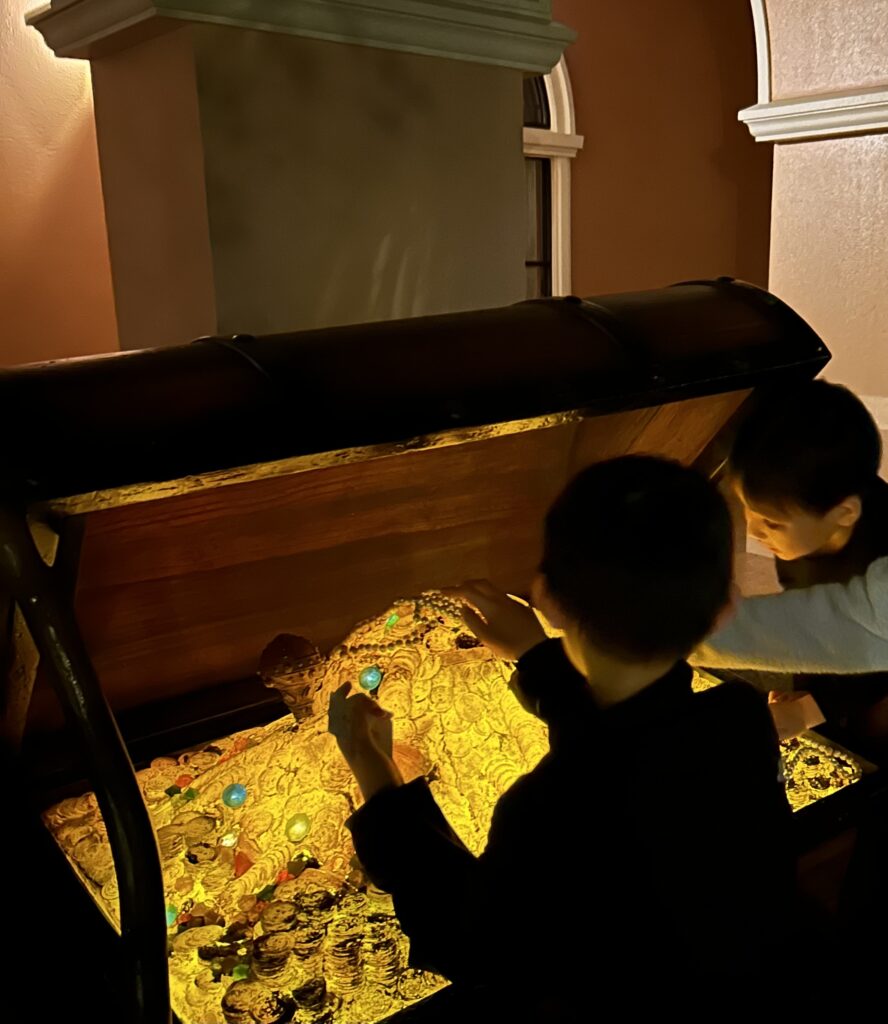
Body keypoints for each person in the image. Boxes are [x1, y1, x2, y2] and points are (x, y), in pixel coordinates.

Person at [328, 456, 795, 1021]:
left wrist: (373, 768)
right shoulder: (739, 720)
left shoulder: (548, 807)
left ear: (545, 596)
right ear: (724, 607)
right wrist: (537, 657)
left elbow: (470, 941)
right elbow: (629, 739)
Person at [698, 380, 888, 759]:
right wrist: (808, 690)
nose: (754, 530)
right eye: (749, 511)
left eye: (771, 522)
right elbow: (812, 620)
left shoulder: (878, 565)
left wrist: (810, 710)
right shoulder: (804, 532)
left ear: (844, 513)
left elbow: (871, 653)